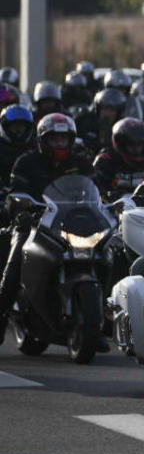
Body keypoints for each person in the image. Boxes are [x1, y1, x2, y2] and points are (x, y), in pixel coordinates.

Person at [0, 114, 95, 343]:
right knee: (14, 265)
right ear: (44, 140)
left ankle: (95, 323)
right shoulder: (27, 161)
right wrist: (20, 209)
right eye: (55, 139)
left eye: (64, 139)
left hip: (71, 224)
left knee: (107, 251)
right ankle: (1, 317)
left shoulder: (81, 162)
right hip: (33, 224)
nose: (60, 144)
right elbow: (15, 192)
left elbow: (94, 191)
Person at [94, 118, 144, 201]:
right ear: (121, 144)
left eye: (139, 144)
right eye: (131, 145)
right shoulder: (106, 160)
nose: (136, 149)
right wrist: (108, 195)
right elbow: (95, 187)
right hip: (113, 208)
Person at [74, 88, 127, 157]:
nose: (107, 114)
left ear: (118, 112)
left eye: (112, 110)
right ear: (98, 109)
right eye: (104, 108)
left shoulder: (122, 128)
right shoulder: (83, 122)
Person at [0, 105, 35, 187]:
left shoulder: (36, 147)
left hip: (32, 196)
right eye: (14, 126)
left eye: (22, 126)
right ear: (5, 127)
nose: (18, 130)